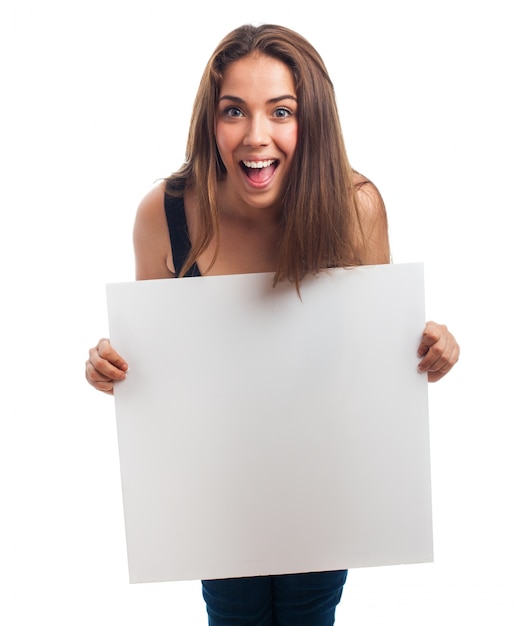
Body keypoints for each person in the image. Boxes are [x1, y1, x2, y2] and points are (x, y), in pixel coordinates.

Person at [85, 23, 459, 626]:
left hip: (321, 482)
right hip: (219, 485)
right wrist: (112, 367)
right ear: (211, 121)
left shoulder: (354, 206)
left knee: (310, 612)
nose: (256, 136)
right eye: (234, 111)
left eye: (280, 111)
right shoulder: (165, 214)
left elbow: (373, 365)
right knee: (232, 613)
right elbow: (151, 366)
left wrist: (429, 350)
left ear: (310, 120)